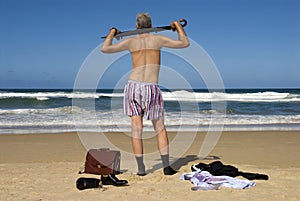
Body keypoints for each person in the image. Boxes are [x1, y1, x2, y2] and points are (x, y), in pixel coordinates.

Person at [101, 12, 189, 175]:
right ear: (150, 25)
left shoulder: (130, 41)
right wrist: (177, 27)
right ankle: (166, 168)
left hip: (132, 87)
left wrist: (112, 34)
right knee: (160, 128)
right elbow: (184, 43)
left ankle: (141, 169)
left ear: (136, 26)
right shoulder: (158, 39)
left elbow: (105, 48)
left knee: (136, 129)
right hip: (151, 87)